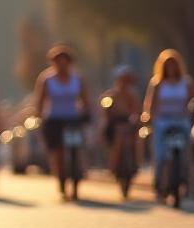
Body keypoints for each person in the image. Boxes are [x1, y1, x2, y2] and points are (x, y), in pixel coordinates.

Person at [33, 44, 91, 198]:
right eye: (58, 61)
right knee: (58, 152)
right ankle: (61, 179)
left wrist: (86, 113)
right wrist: (38, 117)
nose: (61, 64)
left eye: (65, 61)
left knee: (75, 150)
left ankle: (76, 180)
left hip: (73, 119)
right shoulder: (46, 80)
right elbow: (39, 101)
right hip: (54, 119)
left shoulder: (77, 79)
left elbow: (85, 100)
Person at [142, 49, 194, 185]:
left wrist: (193, 113)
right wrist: (148, 117)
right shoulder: (157, 84)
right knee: (160, 153)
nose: (171, 68)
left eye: (173, 64)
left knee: (188, 149)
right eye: (168, 65)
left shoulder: (186, 82)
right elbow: (150, 105)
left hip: (182, 120)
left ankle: (188, 177)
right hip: (163, 120)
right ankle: (159, 179)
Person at [101, 65, 141, 194]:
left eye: (127, 80)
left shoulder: (132, 95)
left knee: (138, 139)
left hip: (128, 124)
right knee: (117, 137)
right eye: (122, 79)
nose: (124, 83)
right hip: (115, 125)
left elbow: (136, 112)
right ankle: (113, 164)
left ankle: (136, 162)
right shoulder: (111, 95)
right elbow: (106, 110)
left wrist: (134, 120)